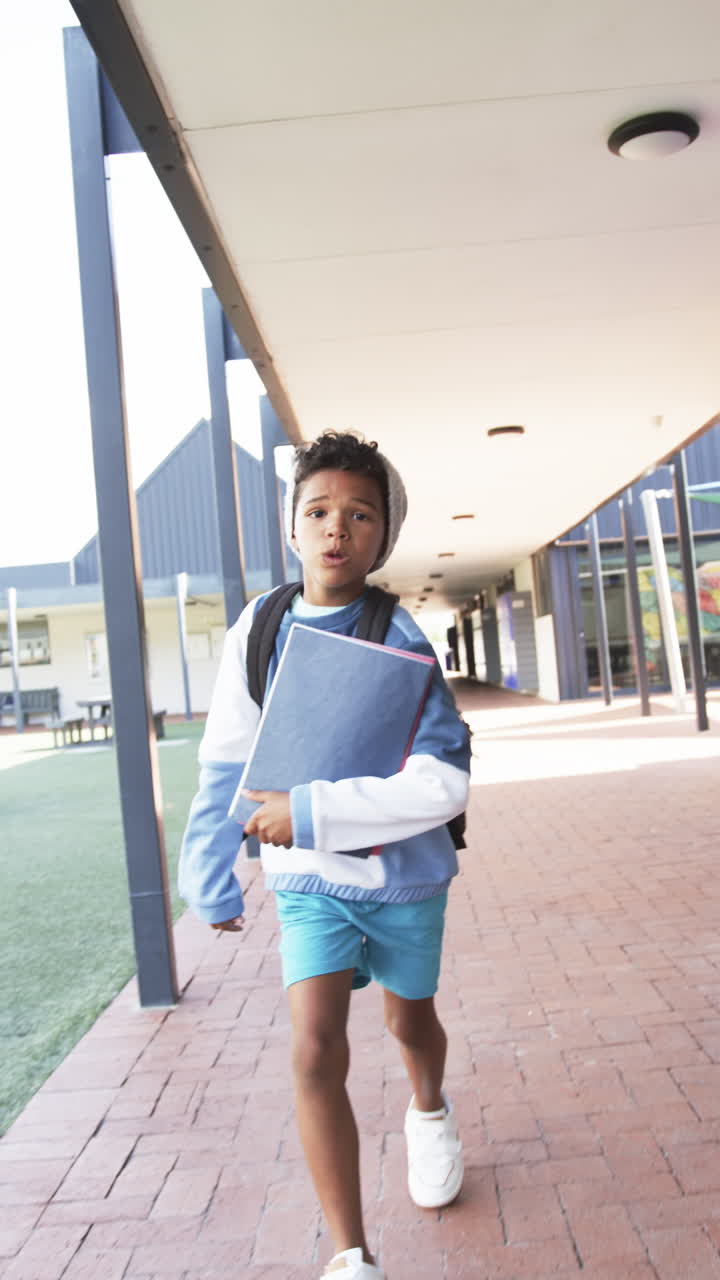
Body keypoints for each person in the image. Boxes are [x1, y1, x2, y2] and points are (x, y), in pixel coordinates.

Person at [179, 431, 471, 1280]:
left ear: (384, 534)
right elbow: (226, 758)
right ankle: (352, 1255)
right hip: (308, 884)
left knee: (408, 1020)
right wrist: (208, 870)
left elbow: (443, 782)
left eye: (359, 514)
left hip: (403, 881)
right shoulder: (259, 627)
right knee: (313, 1047)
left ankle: (429, 1109)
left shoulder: (401, 636)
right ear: (293, 528)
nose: (336, 529)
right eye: (318, 512)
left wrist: (307, 811)